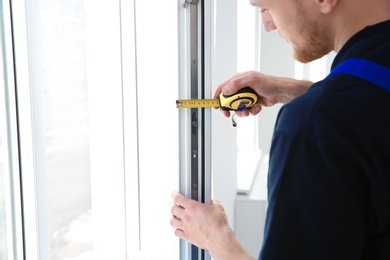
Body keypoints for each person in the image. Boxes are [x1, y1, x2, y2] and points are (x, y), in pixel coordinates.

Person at [170, 0, 390, 259]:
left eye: (265, 7)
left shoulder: (314, 129)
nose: (267, 25)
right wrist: (300, 90)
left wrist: (215, 237)